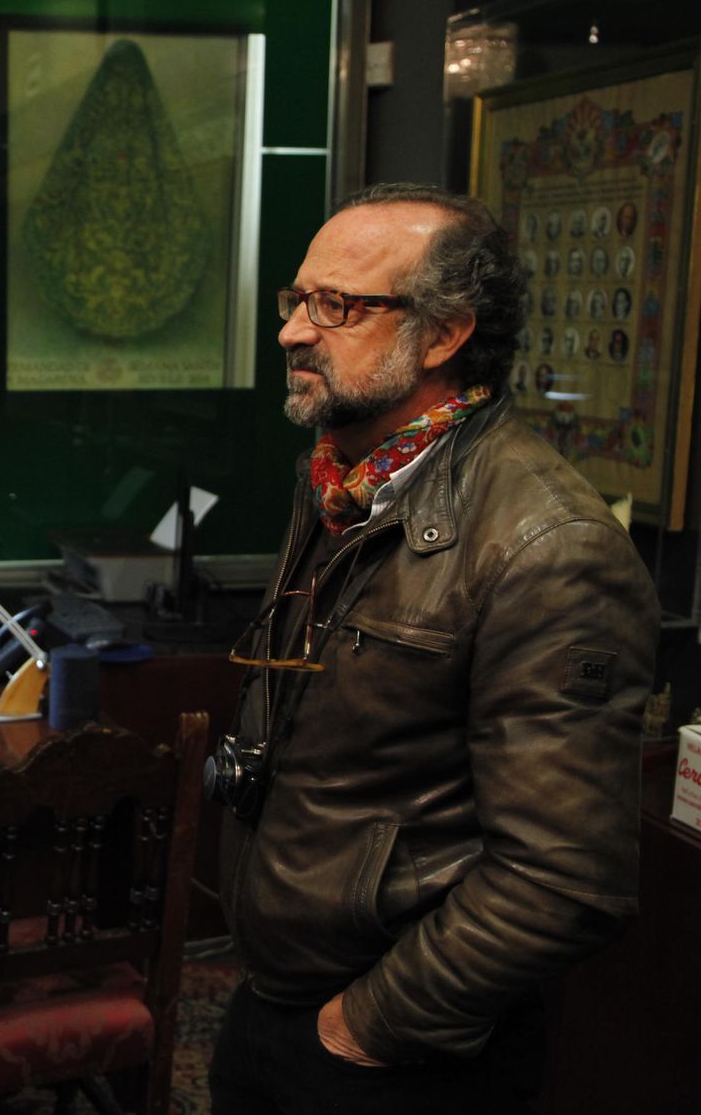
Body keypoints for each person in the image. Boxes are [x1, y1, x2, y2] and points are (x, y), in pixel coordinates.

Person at [208, 183, 658, 1114]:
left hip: (398, 1050)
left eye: (338, 306)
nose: (295, 330)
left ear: (446, 335)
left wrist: (364, 1028)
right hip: (274, 1002)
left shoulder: (548, 543)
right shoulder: (341, 480)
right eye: (296, 300)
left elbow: (565, 876)